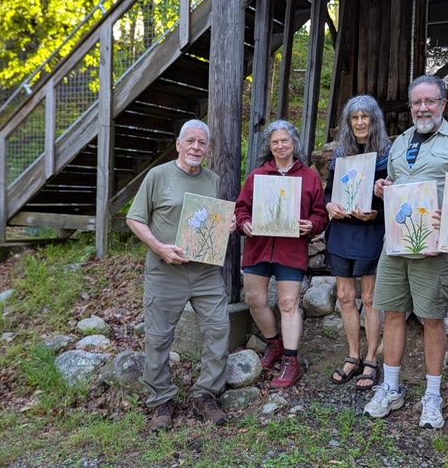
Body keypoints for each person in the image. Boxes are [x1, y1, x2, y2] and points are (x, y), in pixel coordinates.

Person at [367, 75, 448, 428]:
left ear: (443, 104)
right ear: (410, 107)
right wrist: (384, 187)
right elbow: (399, 185)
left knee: (432, 319)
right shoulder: (399, 142)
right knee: (392, 313)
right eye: (417, 102)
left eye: (430, 101)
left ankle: (432, 395)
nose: (422, 108)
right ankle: (391, 387)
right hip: (396, 243)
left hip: (435, 247)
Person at [126, 119, 235, 430]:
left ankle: (206, 395)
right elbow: (135, 219)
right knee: (158, 337)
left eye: (202, 143)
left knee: (218, 329)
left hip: (205, 272)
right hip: (165, 271)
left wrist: (224, 225)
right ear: (178, 144)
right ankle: (162, 400)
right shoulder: (158, 176)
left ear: (208, 149)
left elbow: (211, 222)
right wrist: (159, 247)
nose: (196, 147)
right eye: (190, 141)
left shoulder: (213, 180)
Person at [235, 119, 328, 389]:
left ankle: (290, 361)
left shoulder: (309, 177)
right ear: (269, 146)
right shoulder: (257, 176)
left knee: (288, 304)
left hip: (291, 250)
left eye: (285, 141)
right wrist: (244, 223)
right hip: (258, 247)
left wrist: (312, 225)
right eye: (275, 142)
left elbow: (320, 215)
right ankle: (273, 343)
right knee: (255, 300)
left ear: (294, 143)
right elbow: (241, 210)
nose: (280, 146)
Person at [324, 95, 391, 390]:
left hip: (371, 231)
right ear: (348, 122)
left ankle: (371, 359)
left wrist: (377, 213)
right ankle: (353, 355)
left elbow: (395, 196)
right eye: (355, 117)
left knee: (370, 297)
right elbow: (329, 193)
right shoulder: (341, 153)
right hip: (342, 231)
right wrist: (329, 205)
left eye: (365, 117)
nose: (360, 122)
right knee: (345, 295)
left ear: (374, 120)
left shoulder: (387, 153)